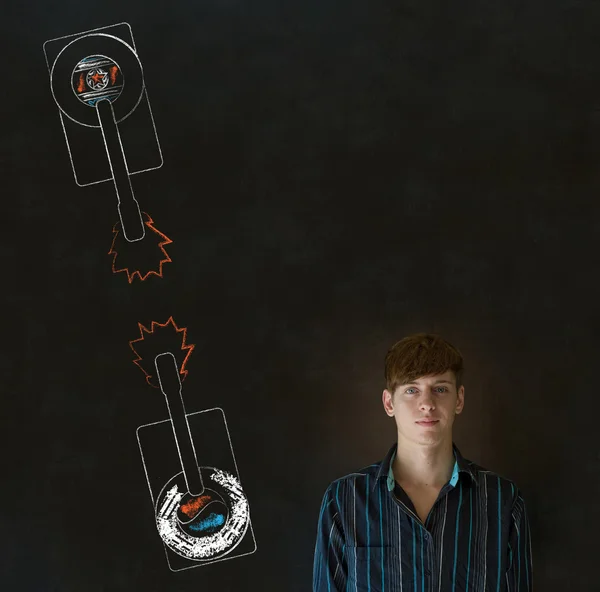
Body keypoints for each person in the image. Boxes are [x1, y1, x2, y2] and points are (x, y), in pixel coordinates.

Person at [312, 333, 533, 591]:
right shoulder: (343, 500)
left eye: (440, 389)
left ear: (459, 399)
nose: (427, 403)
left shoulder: (503, 502)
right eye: (411, 390)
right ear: (388, 403)